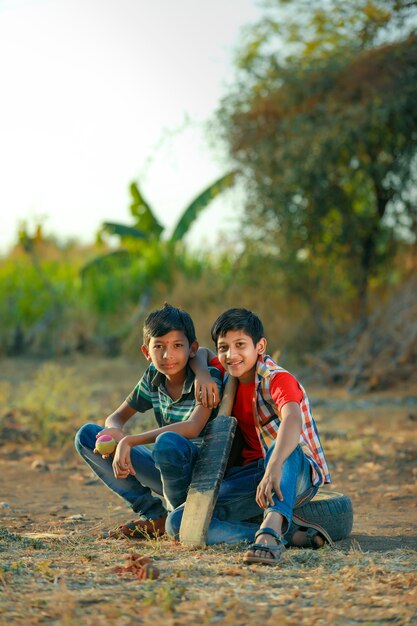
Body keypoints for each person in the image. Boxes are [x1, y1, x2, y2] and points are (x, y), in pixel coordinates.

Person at [166, 307, 331, 565]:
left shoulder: (277, 379)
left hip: (293, 468)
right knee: (179, 523)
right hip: (251, 474)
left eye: (240, 345)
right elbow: (200, 354)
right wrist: (202, 374)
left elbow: (292, 419)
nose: (231, 355)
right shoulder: (228, 376)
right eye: (224, 347)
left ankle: (271, 531)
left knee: (282, 446)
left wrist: (274, 465)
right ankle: (290, 536)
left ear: (260, 346)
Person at [74, 303, 222, 539]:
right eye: (159, 347)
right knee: (87, 435)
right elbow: (116, 417)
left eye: (177, 346)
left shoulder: (206, 380)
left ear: (191, 348)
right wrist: (116, 433)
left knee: (168, 442)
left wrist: (130, 441)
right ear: (146, 352)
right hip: (163, 467)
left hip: (199, 473)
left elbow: (193, 428)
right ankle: (155, 515)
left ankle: (179, 517)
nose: (167, 355)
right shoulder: (152, 376)